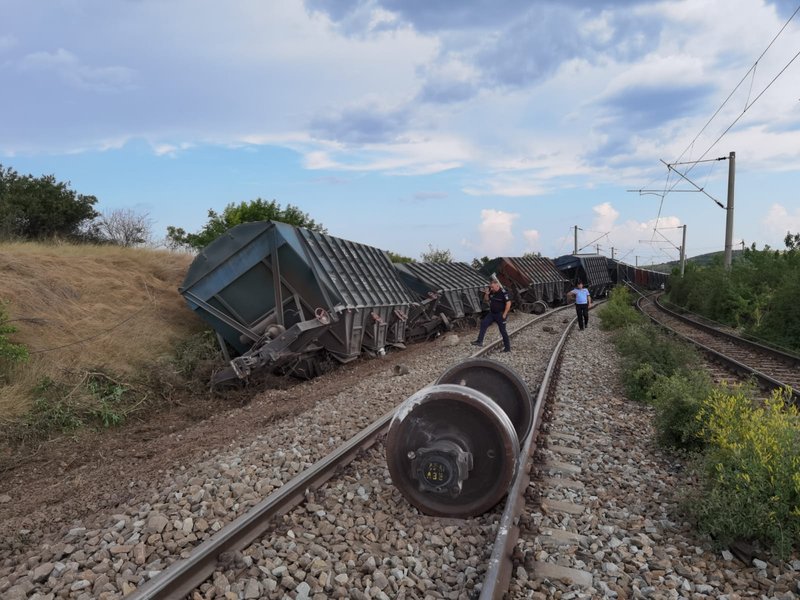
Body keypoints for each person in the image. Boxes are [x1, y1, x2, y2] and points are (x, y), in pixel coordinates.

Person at [471, 280, 512, 352]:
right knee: (483, 323)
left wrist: (505, 314)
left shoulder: (503, 293)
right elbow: (486, 300)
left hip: (500, 314)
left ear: (497, 285)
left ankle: (507, 348)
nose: (491, 289)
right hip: (492, 314)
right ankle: (479, 341)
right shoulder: (492, 292)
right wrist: (487, 294)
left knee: (503, 331)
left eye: (492, 287)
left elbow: (508, 304)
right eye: (491, 287)